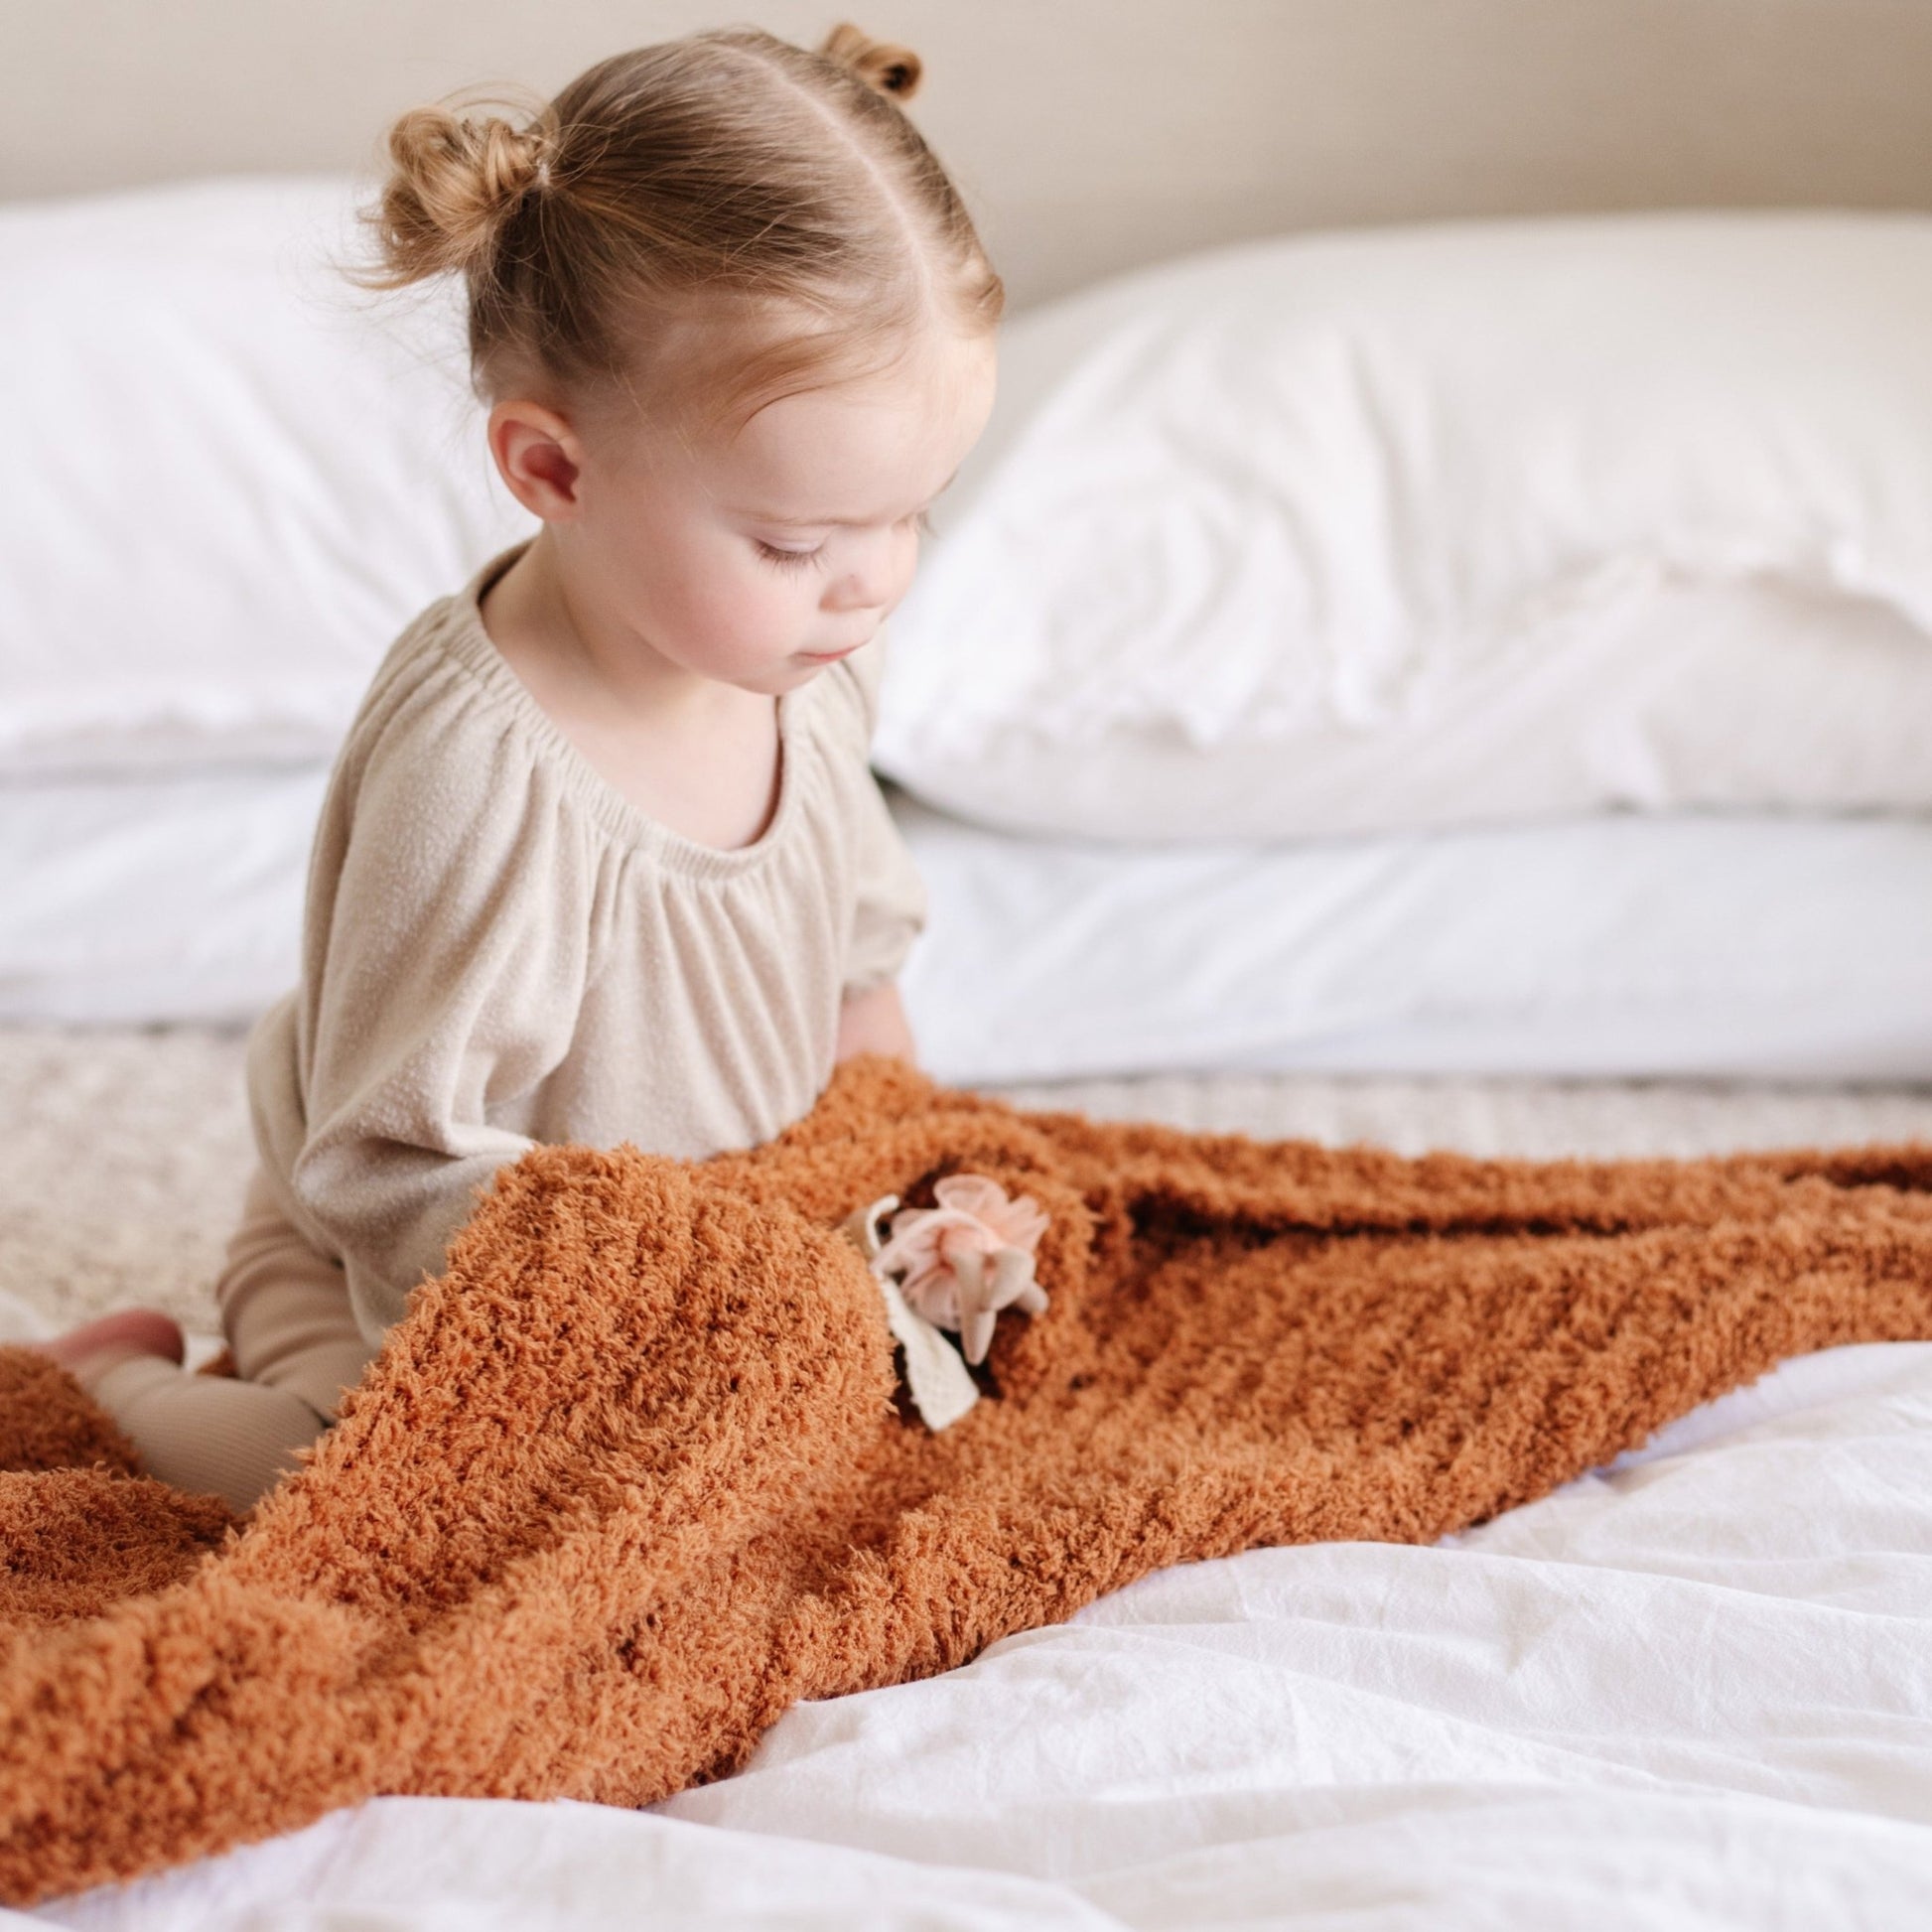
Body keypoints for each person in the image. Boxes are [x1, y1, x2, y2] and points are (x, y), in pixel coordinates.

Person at [38, 21, 1001, 1514]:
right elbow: (390, 1162)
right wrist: (686, 1298)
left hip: (710, 1252)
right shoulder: (483, 774)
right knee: (391, 1509)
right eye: (795, 542)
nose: (872, 584)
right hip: (418, 1254)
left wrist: (902, 1203)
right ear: (552, 468)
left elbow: (856, 975)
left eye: (910, 516)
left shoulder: (807, 663)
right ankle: (116, 1384)